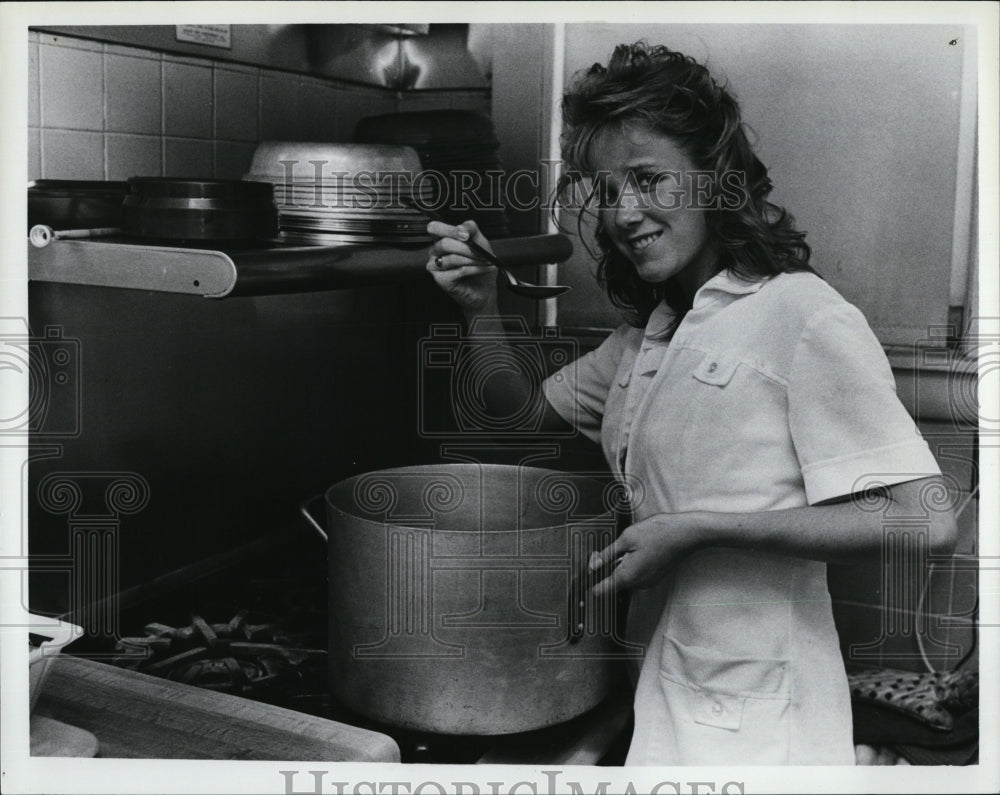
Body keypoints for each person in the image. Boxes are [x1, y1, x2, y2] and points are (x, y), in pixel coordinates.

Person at [424, 42, 956, 765]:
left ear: (715, 179)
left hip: (765, 721)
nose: (622, 214)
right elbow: (516, 418)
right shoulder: (650, 333)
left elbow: (925, 517)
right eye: (606, 191)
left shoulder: (802, 314)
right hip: (665, 687)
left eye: (648, 180)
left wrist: (701, 529)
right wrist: (479, 308)